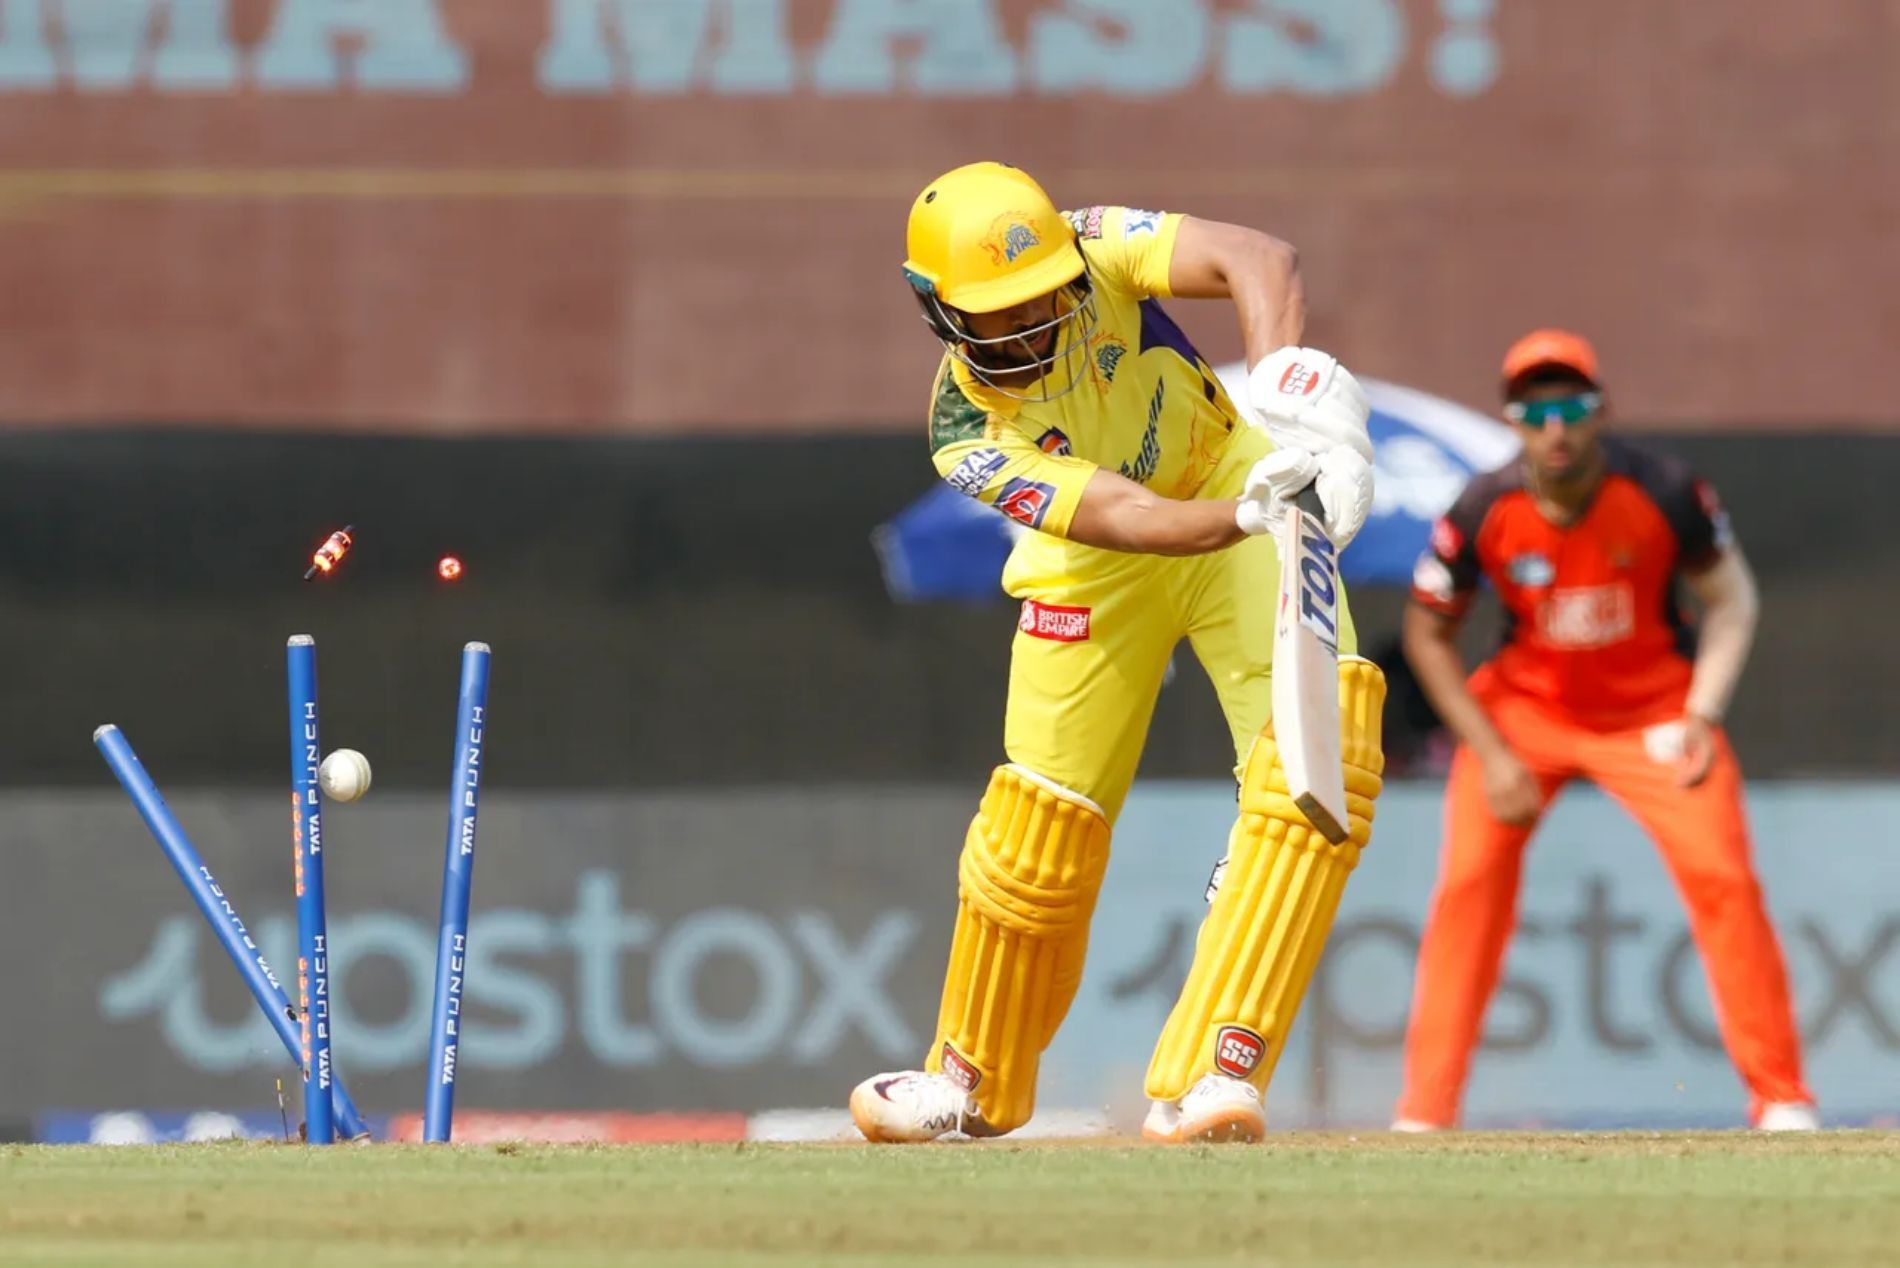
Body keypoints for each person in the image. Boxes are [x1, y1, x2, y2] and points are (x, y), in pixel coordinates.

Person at [848, 160, 1387, 1145]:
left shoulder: (1091, 243)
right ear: (938, 310)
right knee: (1038, 831)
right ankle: (967, 1080)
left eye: (1040, 301)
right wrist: (1251, 509)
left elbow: (1255, 257)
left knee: (1328, 751)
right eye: (997, 314)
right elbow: (1129, 517)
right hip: (1097, 557)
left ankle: (1213, 1073)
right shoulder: (963, 430)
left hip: (1227, 471)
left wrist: (1280, 391)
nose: (1029, 326)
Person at [1394, 328, 1817, 1131]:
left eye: (1572, 407)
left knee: (1724, 880)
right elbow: (1425, 634)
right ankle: (1423, 1113)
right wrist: (1489, 752)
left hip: (1655, 714)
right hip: (1523, 716)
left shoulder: (1664, 490)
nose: (1556, 428)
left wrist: (1702, 712)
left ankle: (1782, 1100)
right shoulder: (1484, 506)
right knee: (1467, 891)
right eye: (1536, 410)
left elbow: (1732, 601)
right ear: (1513, 420)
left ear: (1600, 411)